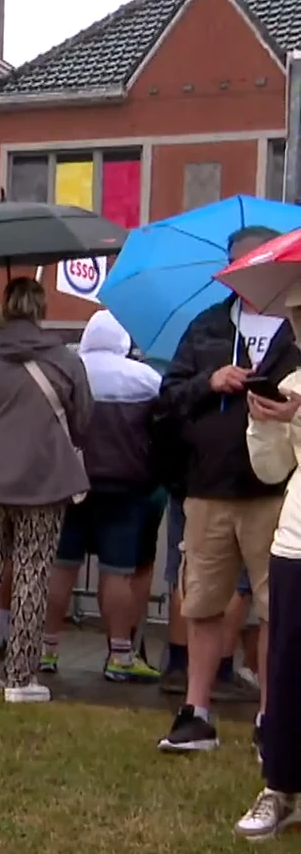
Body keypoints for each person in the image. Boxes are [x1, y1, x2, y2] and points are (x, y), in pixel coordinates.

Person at [155, 225, 299, 751]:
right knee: (202, 602)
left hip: (274, 492)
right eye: (240, 267)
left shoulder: (296, 327)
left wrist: (290, 410)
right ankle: (195, 712)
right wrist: (208, 382)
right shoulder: (207, 326)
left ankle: (272, 718)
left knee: (276, 608)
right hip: (209, 487)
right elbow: (168, 398)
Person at [0, 277, 90, 704]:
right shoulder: (63, 358)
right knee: (32, 573)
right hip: (43, 484)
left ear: (6, 307)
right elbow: (83, 420)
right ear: (41, 308)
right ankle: (22, 677)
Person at [43, 311, 161, 682]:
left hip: (70, 486)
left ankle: (45, 648)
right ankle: (119, 655)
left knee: (61, 568)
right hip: (125, 490)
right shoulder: (145, 379)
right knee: (117, 574)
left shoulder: (66, 373)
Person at [236, 364, 301, 836]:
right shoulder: (294, 381)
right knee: (288, 671)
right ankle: (280, 789)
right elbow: (272, 468)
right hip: (296, 544)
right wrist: (265, 423)